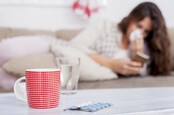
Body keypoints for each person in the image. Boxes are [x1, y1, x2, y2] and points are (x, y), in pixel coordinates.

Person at [69, 2, 171, 76]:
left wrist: (138, 56)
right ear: (131, 18)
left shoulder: (146, 44)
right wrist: (112, 64)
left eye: (146, 31)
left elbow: (144, 74)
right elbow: (74, 46)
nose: (140, 33)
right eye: (139, 26)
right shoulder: (105, 26)